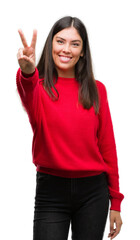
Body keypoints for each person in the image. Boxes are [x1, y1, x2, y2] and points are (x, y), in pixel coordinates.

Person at [16, 16, 124, 240]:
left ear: (83, 51)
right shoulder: (38, 88)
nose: (66, 49)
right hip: (51, 191)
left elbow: (107, 146)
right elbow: (27, 92)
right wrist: (27, 73)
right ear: (51, 45)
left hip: (94, 192)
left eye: (75, 44)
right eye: (60, 41)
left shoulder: (97, 90)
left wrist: (116, 201)